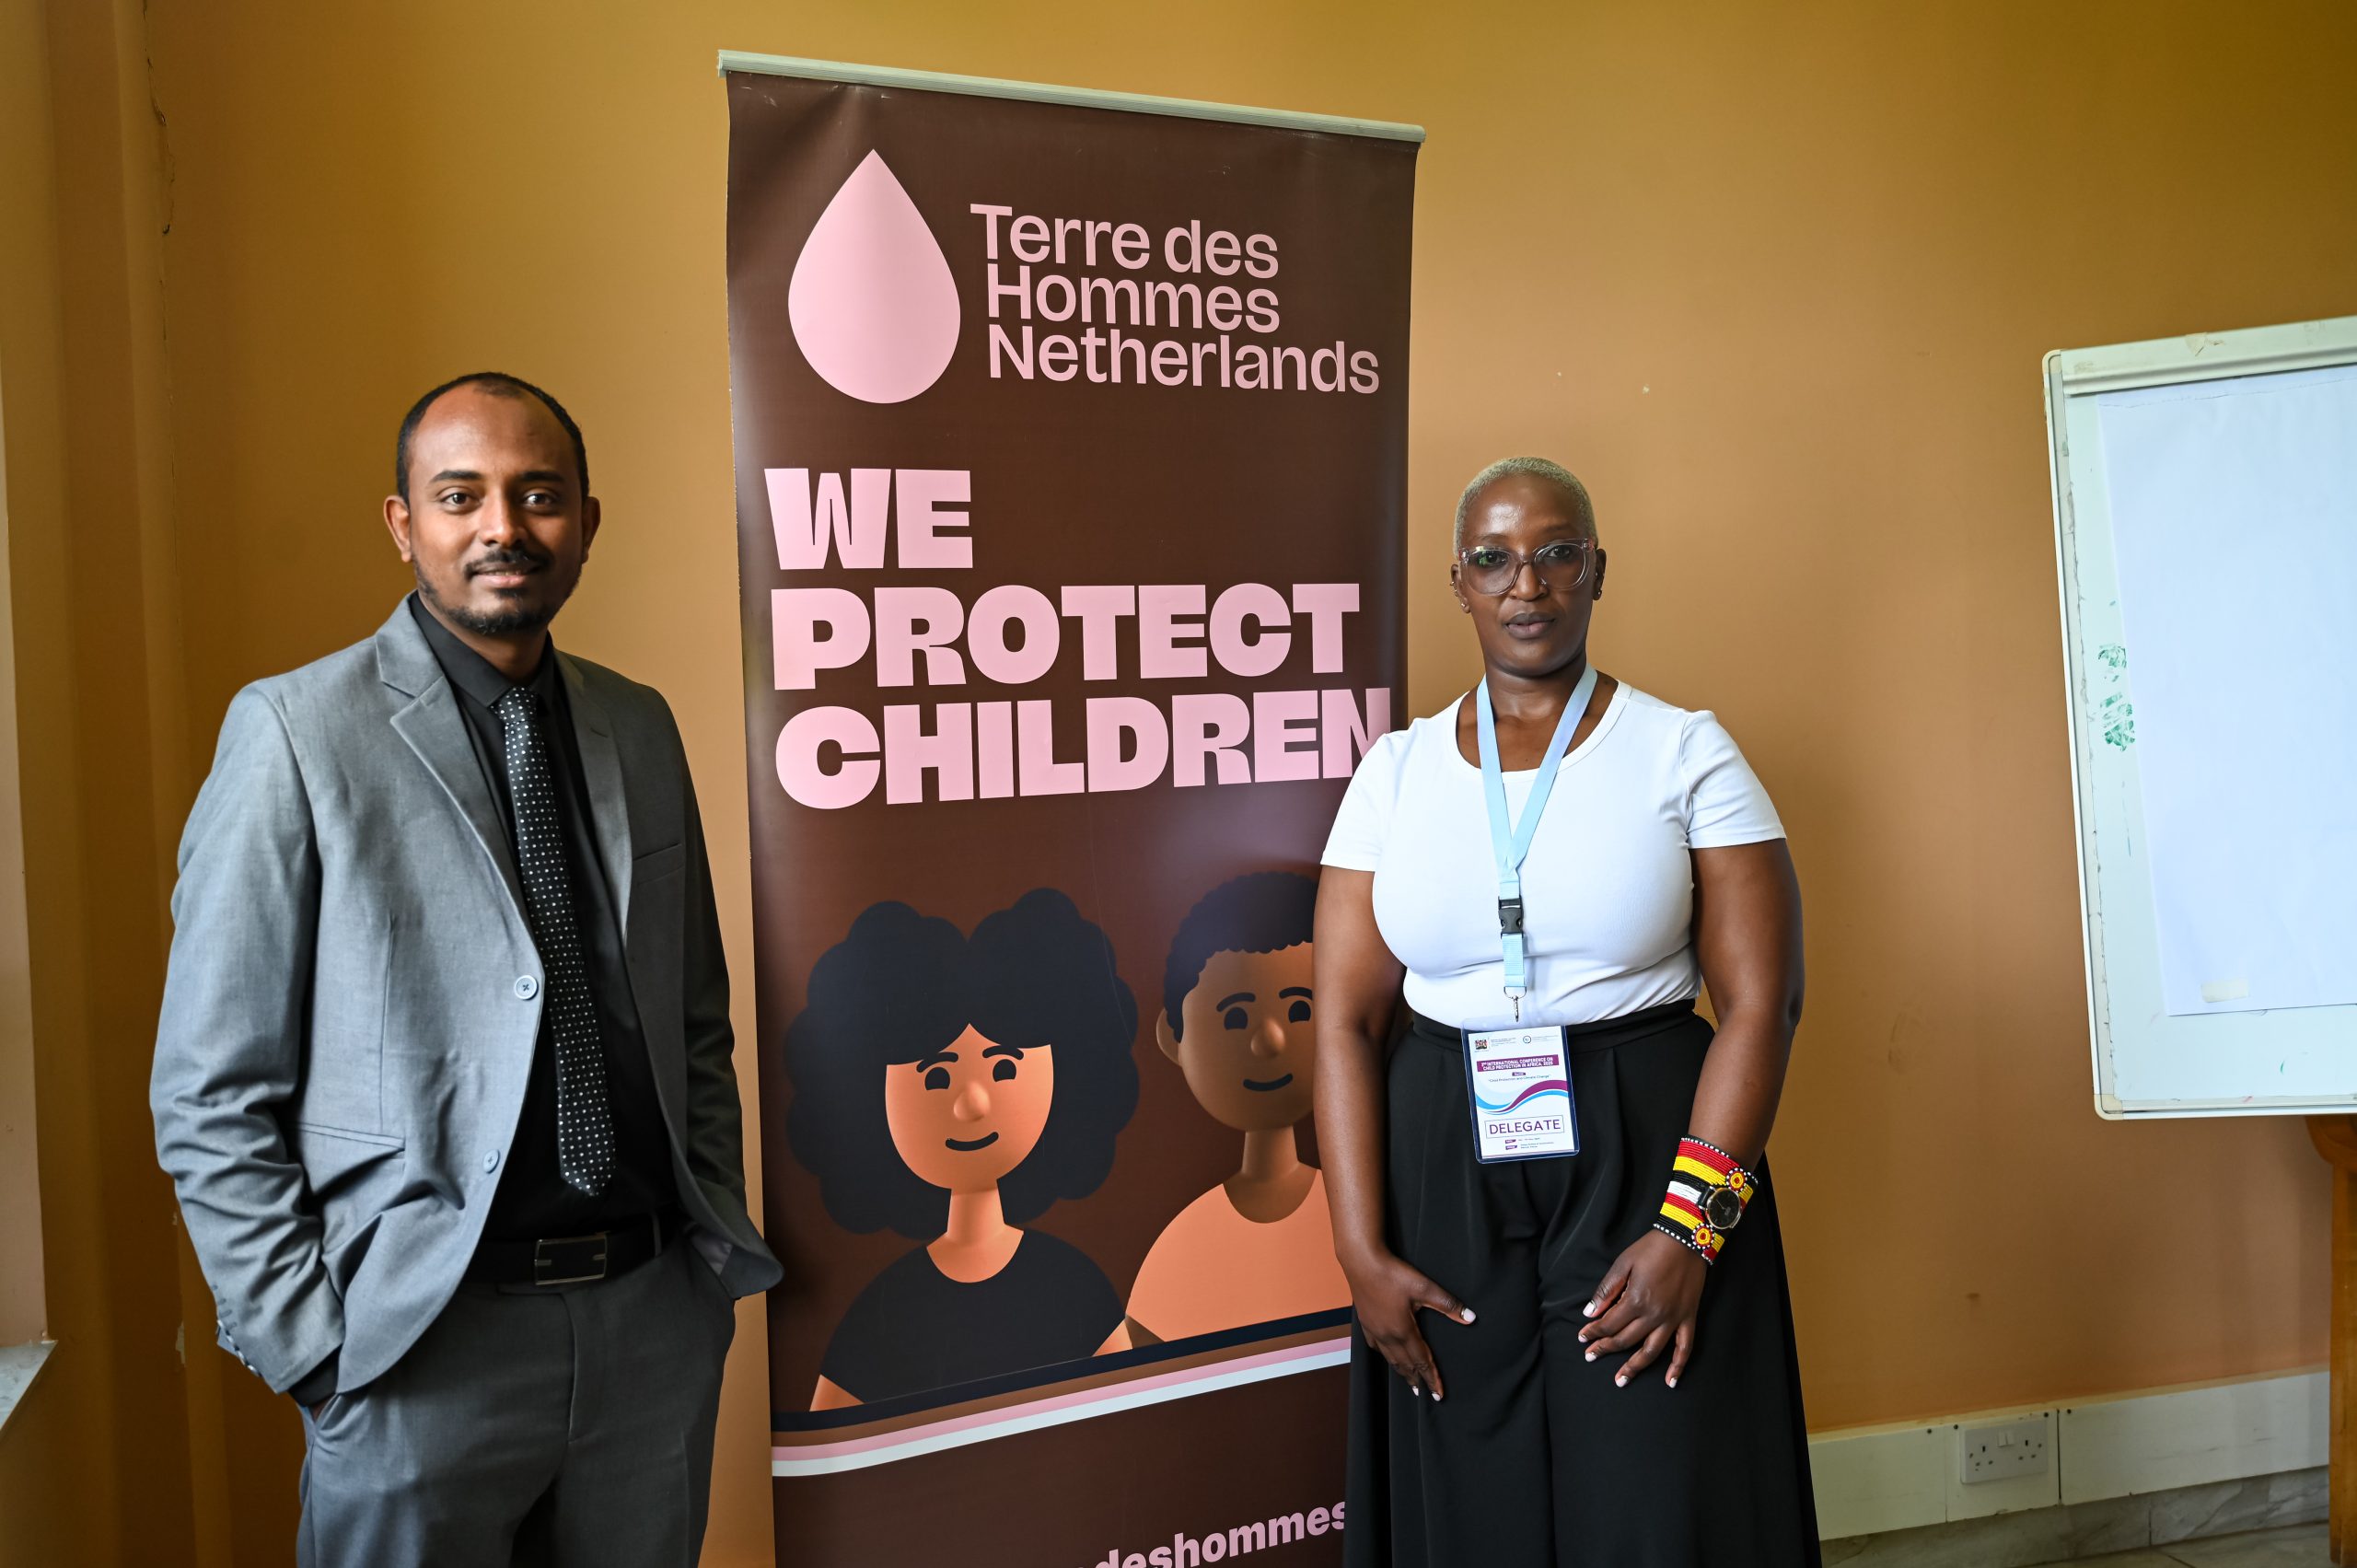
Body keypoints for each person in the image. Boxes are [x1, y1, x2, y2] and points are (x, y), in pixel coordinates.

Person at [150, 372, 781, 1567]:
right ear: (405, 523)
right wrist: (314, 1347)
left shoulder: (639, 725)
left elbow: (694, 1017)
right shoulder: (295, 731)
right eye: (461, 495)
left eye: (539, 494)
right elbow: (208, 1087)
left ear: (587, 521)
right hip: (416, 1348)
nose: (504, 525)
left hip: (649, 1327)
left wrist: (701, 1269)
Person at [1315, 457, 1818, 1566]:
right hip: (1442, 1156)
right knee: (1469, 1486)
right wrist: (1357, 1247)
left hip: (1645, 1148)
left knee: (1652, 1484)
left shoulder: (1683, 750)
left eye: (1555, 554)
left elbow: (1761, 1003)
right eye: (1494, 559)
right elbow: (1344, 1023)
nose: (1526, 583)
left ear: (1597, 569)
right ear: (1458, 581)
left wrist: (1691, 1228)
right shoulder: (1394, 771)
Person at [787, 889, 1139, 1408]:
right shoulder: (886, 1309)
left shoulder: (1073, 1285)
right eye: (936, 1077)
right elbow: (831, 1436)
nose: (972, 1102)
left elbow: (1126, 1414)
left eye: (1003, 1068)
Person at [1126, 871, 1349, 1344]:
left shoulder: (1353, 1209)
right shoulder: (1185, 1242)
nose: (1269, 1041)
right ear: (1174, 1037)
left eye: (1299, 1009)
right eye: (1235, 1016)